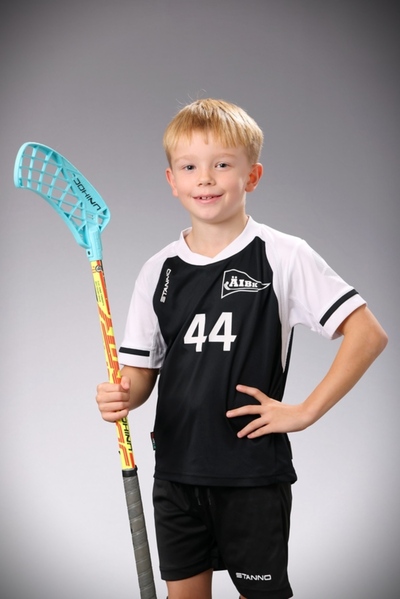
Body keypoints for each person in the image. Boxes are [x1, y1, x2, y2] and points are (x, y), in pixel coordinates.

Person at [96, 98, 388, 599]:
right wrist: (123, 394)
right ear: (171, 180)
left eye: (223, 165)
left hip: (251, 474)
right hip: (177, 473)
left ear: (252, 176)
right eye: (190, 167)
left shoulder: (282, 254)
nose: (205, 179)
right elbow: (143, 373)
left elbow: (368, 334)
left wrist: (305, 412)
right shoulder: (158, 270)